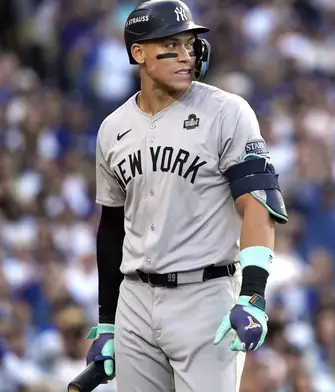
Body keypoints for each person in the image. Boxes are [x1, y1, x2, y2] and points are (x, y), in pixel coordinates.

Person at [84, 0, 288, 391]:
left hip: (205, 297)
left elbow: (258, 204)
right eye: (171, 45)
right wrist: (107, 320)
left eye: (190, 45)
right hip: (135, 300)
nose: (186, 55)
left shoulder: (228, 112)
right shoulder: (112, 129)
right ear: (138, 53)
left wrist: (253, 296)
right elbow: (112, 227)